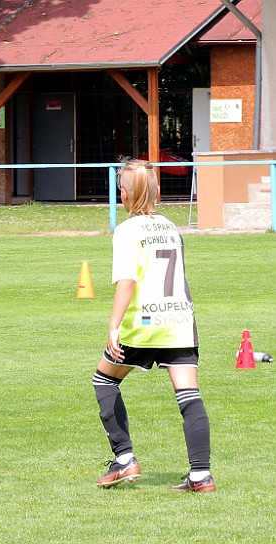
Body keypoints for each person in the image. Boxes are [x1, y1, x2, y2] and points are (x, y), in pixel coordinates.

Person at [92, 159, 214, 492]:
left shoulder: (127, 230)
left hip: (145, 321)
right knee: (189, 396)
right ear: (158, 192)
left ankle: (124, 459)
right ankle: (201, 475)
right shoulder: (171, 227)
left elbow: (127, 281)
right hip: (179, 320)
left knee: (103, 380)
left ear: (125, 194)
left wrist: (114, 325)